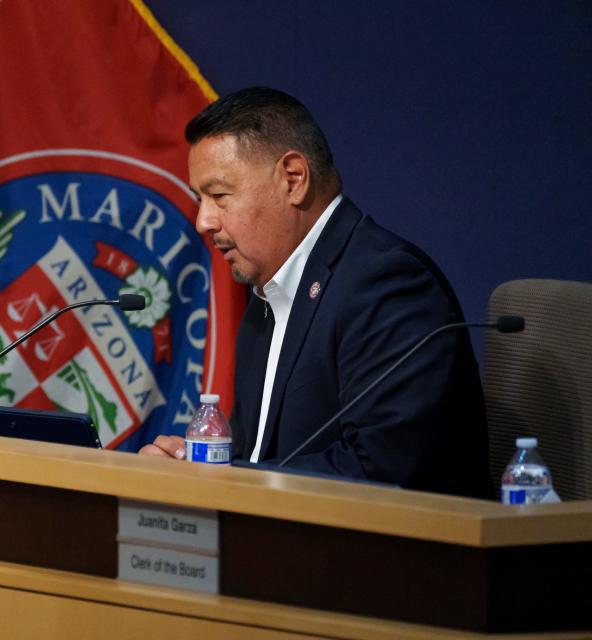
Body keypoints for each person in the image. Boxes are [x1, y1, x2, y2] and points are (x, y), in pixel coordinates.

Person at [140, 87, 492, 499]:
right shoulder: (265, 299)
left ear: (293, 179)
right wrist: (197, 463)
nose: (203, 221)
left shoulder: (387, 284)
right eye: (200, 199)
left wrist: (223, 478)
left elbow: (378, 470)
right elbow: (258, 456)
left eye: (218, 196)